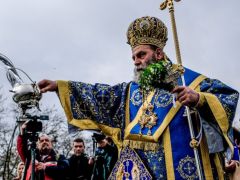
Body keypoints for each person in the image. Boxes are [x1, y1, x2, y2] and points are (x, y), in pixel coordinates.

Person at [38, 16, 239, 179]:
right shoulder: (129, 93)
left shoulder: (191, 82)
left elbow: (227, 98)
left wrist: (198, 99)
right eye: (134, 57)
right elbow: (100, 95)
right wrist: (60, 86)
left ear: (159, 53)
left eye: (141, 55)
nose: (136, 61)